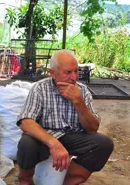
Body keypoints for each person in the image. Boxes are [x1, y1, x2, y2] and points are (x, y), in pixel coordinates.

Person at [17, 50, 114, 185]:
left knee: (104, 144)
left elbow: (93, 128)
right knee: (27, 144)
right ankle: (25, 181)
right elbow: (25, 121)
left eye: (76, 71)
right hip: (46, 136)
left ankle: (70, 182)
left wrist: (78, 102)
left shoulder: (83, 91)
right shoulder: (40, 88)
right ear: (52, 73)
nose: (74, 77)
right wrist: (53, 143)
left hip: (72, 136)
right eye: (68, 72)